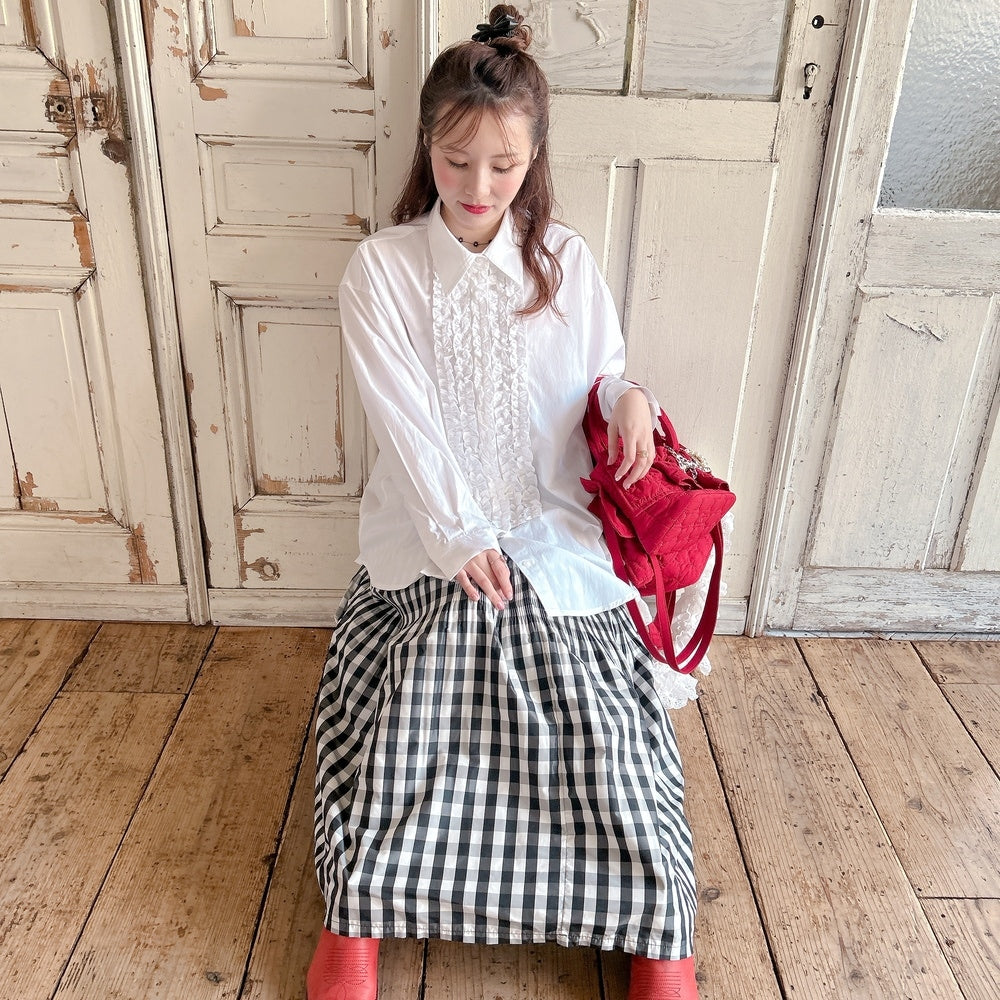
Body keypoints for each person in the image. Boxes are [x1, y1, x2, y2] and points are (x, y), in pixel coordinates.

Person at [309, 7, 700, 999]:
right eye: (456, 161)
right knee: (423, 694)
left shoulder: (562, 258)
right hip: (428, 533)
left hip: (551, 527)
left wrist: (629, 397)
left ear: (533, 158)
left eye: (504, 166)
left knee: (604, 729)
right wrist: (457, 538)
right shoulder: (383, 269)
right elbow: (405, 424)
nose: (479, 187)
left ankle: (657, 921)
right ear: (426, 147)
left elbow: (598, 375)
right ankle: (359, 911)